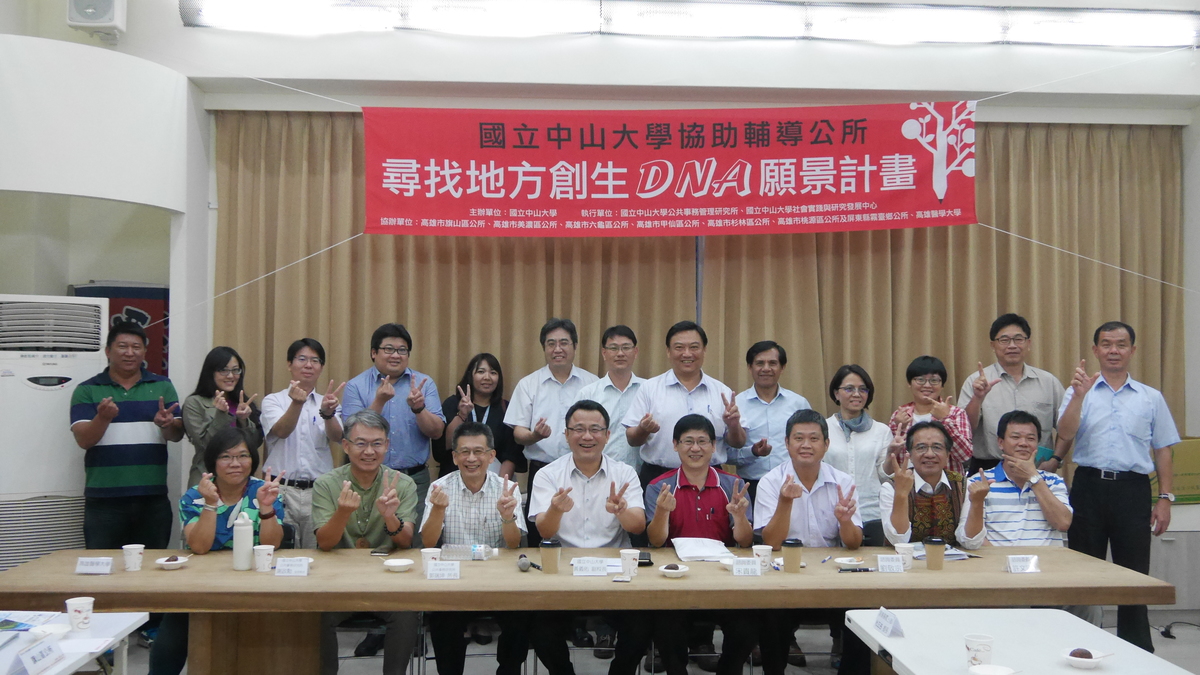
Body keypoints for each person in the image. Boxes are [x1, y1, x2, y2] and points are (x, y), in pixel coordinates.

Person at [1057, 321, 1179, 652]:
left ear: (1132, 351)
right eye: (1106, 344)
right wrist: (1078, 397)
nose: (1114, 350)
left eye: (1121, 344)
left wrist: (1165, 498)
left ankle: (1138, 650)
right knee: (1082, 572)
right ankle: (1080, 644)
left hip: (1133, 490)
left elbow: (1163, 448)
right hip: (1088, 486)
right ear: (1095, 350)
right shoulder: (1078, 391)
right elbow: (1065, 434)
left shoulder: (1150, 397)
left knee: (1134, 574)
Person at [527, 400, 652, 675]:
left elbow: (637, 526)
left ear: (607, 436)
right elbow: (545, 532)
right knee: (539, 626)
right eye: (579, 429)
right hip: (561, 571)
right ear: (566, 434)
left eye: (595, 429)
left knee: (642, 624)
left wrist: (621, 511)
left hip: (615, 573)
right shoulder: (548, 474)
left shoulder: (624, 473)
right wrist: (555, 510)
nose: (587, 436)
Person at [149, 428, 285, 675]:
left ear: (252, 460)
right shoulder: (196, 495)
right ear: (212, 462)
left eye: (243, 456)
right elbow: (199, 546)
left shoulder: (264, 490)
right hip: (203, 582)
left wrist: (266, 508)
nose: (235, 464)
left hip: (255, 581)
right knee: (177, 619)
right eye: (226, 457)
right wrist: (210, 505)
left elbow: (273, 545)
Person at [754, 409, 862, 675]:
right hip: (784, 577)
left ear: (826, 444)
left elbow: (854, 544)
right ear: (787, 443)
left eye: (814, 438)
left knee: (863, 614)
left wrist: (845, 521)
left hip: (833, 576)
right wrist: (785, 502)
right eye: (798, 438)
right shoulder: (771, 482)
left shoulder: (843, 481)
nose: (805, 445)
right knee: (770, 617)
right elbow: (772, 542)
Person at [644, 415, 754, 675]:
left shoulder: (732, 485)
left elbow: (746, 541)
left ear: (714, 446)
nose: (696, 448)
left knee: (748, 626)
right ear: (675, 445)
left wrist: (738, 516)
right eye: (688, 442)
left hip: (724, 582)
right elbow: (656, 541)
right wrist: (661, 512)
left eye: (703, 441)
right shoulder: (659, 486)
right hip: (674, 582)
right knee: (665, 627)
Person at [313, 410, 419, 675]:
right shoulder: (326, 484)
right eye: (361, 443)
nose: (369, 451)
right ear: (346, 446)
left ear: (387, 445)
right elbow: (324, 543)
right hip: (336, 583)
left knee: (407, 613)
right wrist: (342, 513)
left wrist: (389, 517)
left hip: (387, 583)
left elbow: (406, 542)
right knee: (314, 613)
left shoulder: (402, 484)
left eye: (377, 443)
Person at [421, 421, 529, 675]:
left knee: (522, 618)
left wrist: (506, 516)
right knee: (443, 622)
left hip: (499, 580)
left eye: (479, 451)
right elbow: (427, 542)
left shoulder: (506, 489)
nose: (472, 458)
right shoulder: (440, 487)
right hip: (452, 581)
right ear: (455, 457)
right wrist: (438, 510)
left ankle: (508, 670)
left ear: (491, 456)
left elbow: (514, 543)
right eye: (464, 452)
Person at [70, 321, 183, 550]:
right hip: (104, 501)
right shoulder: (87, 389)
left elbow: (177, 434)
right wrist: (102, 418)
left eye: (136, 347)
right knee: (102, 569)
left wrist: (166, 425)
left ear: (144, 352)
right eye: (122, 346)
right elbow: (84, 440)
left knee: (151, 570)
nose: (130, 353)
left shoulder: (162, 386)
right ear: (108, 351)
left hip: (152, 499)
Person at [504, 318, 598, 545]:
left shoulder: (592, 383)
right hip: (543, 471)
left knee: (584, 530)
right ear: (544, 348)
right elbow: (518, 432)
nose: (558, 349)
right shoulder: (529, 384)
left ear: (575, 346)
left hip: (585, 470)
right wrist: (535, 436)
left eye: (564, 343)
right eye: (551, 343)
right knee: (542, 536)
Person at [623, 321, 747, 487]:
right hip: (659, 478)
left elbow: (738, 443)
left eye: (694, 347)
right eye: (679, 347)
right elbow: (632, 439)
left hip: (711, 481)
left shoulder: (722, 392)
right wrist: (643, 429)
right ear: (668, 351)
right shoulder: (650, 388)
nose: (687, 354)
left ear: (704, 350)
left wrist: (733, 426)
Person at [342, 323, 444, 522]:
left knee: (412, 541)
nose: (396, 355)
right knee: (367, 540)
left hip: (414, 478)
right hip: (367, 478)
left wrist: (419, 409)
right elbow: (350, 434)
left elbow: (437, 432)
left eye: (402, 350)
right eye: (388, 349)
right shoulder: (356, 385)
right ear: (374, 353)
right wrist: (379, 401)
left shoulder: (424, 383)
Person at [260, 338, 345, 549]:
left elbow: (338, 437)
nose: (309, 365)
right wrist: (297, 403)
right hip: (281, 490)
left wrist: (328, 413)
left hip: (319, 492)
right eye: (302, 359)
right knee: (280, 552)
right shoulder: (273, 400)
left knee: (319, 553)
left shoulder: (329, 402)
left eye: (315, 360)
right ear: (289, 364)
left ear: (321, 367)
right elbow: (281, 430)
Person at [958, 313, 1065, 475]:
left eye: (1018, 339)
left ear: (1028, 343)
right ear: (993, 345)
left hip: (1037, 468)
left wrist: (1056, 459)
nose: (1012, 345)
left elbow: (1067, 429)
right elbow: (964, 430)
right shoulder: (976, 381)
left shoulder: (1049, 382)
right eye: (1004, 340)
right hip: (989, 468)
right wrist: (977, 398)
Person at [956, 410, 1072, 549]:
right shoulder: (978, 482)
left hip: (1046, 565)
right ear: (1000, 442)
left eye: (1030, 438)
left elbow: (1063, 523)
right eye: (1015, 437)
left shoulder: (1053, 481)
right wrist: (977, 502)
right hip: (998, 565)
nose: (1023, 443)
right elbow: (969, 540)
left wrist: (1033, 478)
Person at [822, 364, 896, 546]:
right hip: (831, 513)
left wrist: (891, 457)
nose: (857, 394)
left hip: (872, 514)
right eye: (849, 389)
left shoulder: (882, 431)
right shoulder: (822, 429)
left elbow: (884, 477)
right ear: (836, 394)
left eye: (863, 389)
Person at [727, 341, 810, 501]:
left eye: (772, 363)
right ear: (749, 367)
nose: (766, 368)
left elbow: (813, 444)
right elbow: (727, 454)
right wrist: (753, 453)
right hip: (751, 487)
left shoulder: (799, 404)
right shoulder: (736, 405)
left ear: (782, 367)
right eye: (759, 363)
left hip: (794, 484)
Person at [182, 346, 263, 488]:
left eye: (235, 370)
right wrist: (220, 415)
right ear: (211, 373)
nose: (231, 376)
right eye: (224, 370)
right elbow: (205, 444)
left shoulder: (242, 402)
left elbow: (254, 445)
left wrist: (243, 420)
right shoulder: (194, 403)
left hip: (241, 481)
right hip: (207, 479)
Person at [437, 353, 524, 479]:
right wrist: (462, 414)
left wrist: (500, 486)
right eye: (481, 372)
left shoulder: (506, 408)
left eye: (493, 373)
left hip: (493, 482)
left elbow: (510, 455)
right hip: (454, 481)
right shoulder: (453, 403)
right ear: (470, 376)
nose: (487, 377)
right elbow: (445, 446)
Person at [878, 421, 967, 546]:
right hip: (905, 562)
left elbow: (970, 542)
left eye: (937, 447)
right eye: (921, 448)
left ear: (948, 455)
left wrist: (978, 503)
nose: (929, 454)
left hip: (952, 563)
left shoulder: (962, 485)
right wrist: (901, 495)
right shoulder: (891, 487)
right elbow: (898, 541)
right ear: (909, 455)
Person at [574, 325, 646, 473]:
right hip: (598, 474)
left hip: (641, 475)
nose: (620, 353)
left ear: (636, 352)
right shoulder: (588, 394)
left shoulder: (648, 390)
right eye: (613, 348)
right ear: (604, 353)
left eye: (626, 347)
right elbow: (576, 436)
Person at [889, 355, 972, 476]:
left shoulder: (955, 413)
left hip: (948, 486)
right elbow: (890, 458)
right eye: (920, 380)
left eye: (934, 380)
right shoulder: (899, 415)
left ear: (942, 385)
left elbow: (964, 455)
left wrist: (945, 420)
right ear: (909, 383)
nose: (927, 385)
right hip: (908, 485)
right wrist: (898, 428)